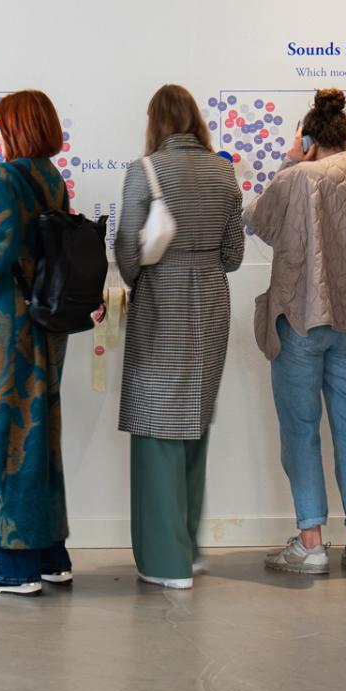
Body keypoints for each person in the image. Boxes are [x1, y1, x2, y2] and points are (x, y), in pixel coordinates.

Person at [248, 89, 346, 575]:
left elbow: (258, 222)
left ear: (308, 138)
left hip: (302, 316)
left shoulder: (298, 176)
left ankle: (310, 543)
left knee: (301, 429)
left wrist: (290, 162)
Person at [115, 84, 245, 589]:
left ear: (156, 122)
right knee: (194, 418)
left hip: (161, 301)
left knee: (155, 425)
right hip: (211, 300)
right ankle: (187, 549)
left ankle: (165, 563)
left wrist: (140, 276)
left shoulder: (144, 169)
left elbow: (128, 247)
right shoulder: (223, 170)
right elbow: (233, 255)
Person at [0, 91, 78, 596]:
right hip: (46, 322)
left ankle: (10, 568)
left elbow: (3, 250)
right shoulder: (52, 177)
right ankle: (51, 558)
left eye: (1, 125)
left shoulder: (5, 175)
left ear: (15, 128)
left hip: (5, 326)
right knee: (38, 434)